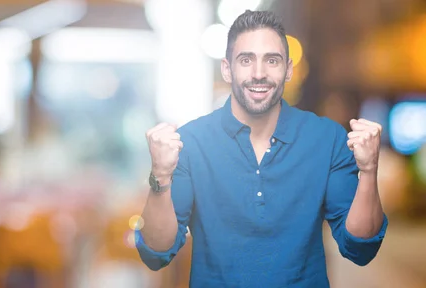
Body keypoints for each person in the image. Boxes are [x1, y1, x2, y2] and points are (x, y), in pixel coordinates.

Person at [136, 10, 388, 287]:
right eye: (246, 60)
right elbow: (156, 253)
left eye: (272, 60)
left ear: (289, 69)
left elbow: (360, 247)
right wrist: (160, 175)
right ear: (227, 69)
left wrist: (368, 169)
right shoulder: (191, 141)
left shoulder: (327, 138)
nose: (259, 73)